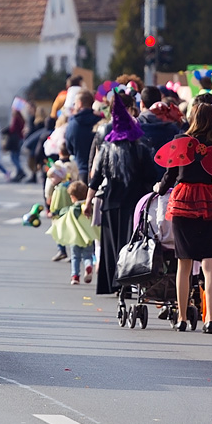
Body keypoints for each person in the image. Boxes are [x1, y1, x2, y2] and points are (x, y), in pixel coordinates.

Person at [156, 103, 212, 333]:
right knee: (210, 265)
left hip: (184, 200)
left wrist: (160, 189)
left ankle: (183, 318)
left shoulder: (181, 140)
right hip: (209, 201)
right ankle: (209, 320)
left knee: (183, 265)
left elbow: (170, 173)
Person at [87, 93, 154, 294]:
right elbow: (150, 178)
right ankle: (130, 280)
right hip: (135, 203)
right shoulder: (141, 149)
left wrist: (88, 201)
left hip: (111, 203)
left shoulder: (107, 150)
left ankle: (114, 282)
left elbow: (96, 178)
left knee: (112, 244)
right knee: (130, 243)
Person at [51, 180, 97, 284]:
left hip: (75, 238)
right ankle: (88, 266)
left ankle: (75, 276)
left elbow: (62, 214)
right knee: (87, 255)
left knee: (75, 257)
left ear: (73, 197)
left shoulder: (72, 210)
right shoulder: (89, 208)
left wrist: (55, 213)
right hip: (88, 237)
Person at [64, 90, 103, 180]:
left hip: (82, 170)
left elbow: (69, 148)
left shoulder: (72, 124)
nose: (74, 106)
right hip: (100, 172)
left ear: (80, 103)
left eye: (75, 103)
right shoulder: (100, 121)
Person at [5, 104, 27, 181]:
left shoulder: (16, 118)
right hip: (19, 139)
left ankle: (20, 171)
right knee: (16, 156)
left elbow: (12, 129)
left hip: (15, 140)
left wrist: (5, 131)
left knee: (14, 157)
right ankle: (19, 172)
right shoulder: (21, 118)